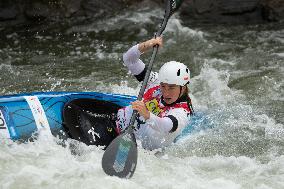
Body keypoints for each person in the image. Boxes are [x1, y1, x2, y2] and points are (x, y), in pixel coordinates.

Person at [115, 37, 194, 150]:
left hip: (129, 145)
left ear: (183, 87)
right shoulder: (156, 81)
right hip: (115, 122)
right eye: (163, 86)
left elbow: (166, 125)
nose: (165, 93)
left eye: (171, 88)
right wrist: (147, 44)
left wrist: (147, 114)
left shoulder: (182, 112)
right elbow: (129, 59)